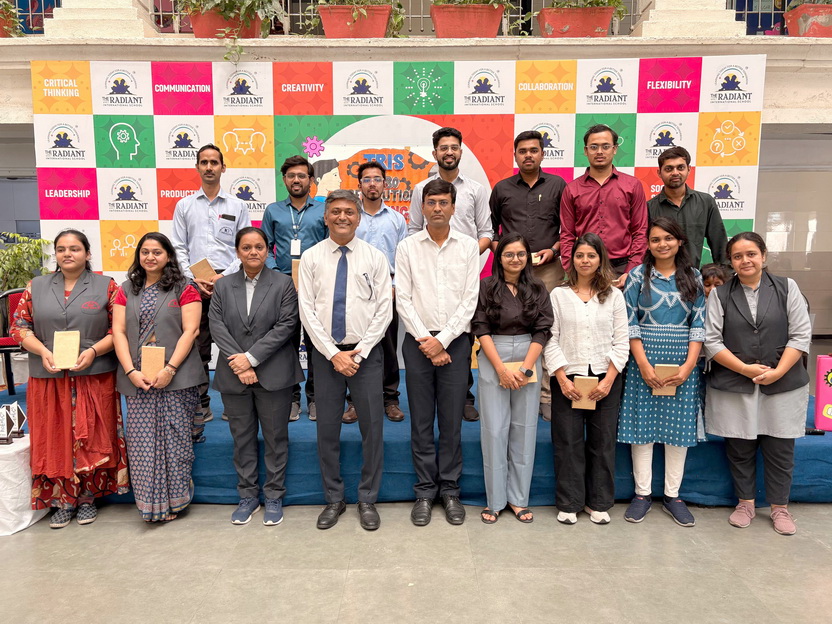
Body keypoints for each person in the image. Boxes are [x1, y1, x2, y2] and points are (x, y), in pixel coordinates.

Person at [11, 229, 128, 529]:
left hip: (93, 373)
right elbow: (19, 327)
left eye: (75, 249)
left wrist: (93, 351)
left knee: (93, 436)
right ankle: (62, 499)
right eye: (61, 249)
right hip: (48, 376)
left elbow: (118, 329)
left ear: (87, 254)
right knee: (54, 435)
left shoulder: (106, 286)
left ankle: (88, 497)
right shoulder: (36, 286)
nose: (67, 254)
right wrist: (42, 351)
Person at [704, 232, 811, 536]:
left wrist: (778, 372)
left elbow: (800, 334)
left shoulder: (787, 287)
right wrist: (744, 369)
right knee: (740, 446)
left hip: (783, 381)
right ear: (731, 261)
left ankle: (780, 508)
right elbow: (711, 340)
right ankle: (745, 504)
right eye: (737, 256)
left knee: (780, 447)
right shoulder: (721, 294)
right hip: (735, 382)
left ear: (763, 256)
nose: (745, 261)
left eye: (751, 254)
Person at [298, 190, 393, 531]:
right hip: (327, 356)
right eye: (335, 211)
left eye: (349, 212)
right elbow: (306, 310)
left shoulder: (375, 257)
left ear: (359, 217)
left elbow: (384, 310)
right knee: (326, 429)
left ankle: (367, 498)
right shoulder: (311, 257)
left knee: (372, 429)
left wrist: (361, 351)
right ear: (325, 217)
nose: (342, 217)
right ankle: (334, 498)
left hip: (366, 354)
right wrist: (333, 354)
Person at [396, 179, 480, 527]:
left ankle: (450, 490)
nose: (437, 208)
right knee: (420, 422)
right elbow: (403, 299)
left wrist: (442, 341)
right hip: (417, 342)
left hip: (455, 342)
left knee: (450, 422)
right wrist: (427, 341)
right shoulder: (407, 247)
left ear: (453, 207)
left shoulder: (469, 246)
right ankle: (424, 492)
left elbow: (470, 300)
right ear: (423, 207)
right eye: (431, 202)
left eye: (444, 202)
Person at [209, 227, 304, 526]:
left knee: (276, 438)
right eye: (247, 247)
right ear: (237, 252)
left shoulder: (283, 284)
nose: (253, 252)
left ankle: (274, 496)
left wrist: (250, 359)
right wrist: (240, 363)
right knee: (242, 438)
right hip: (233, 374)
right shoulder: (223, 285)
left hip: (274, 373)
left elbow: (286, 325)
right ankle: (247, 496)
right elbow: (216, 325)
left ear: (268, 250)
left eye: (259, 247)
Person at [617, 217, 706, 527]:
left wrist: (688, 366)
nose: (662, 244)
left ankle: (672, 496)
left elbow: (698, 324)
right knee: (641, 429)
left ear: (679, 241)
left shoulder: (694, 277)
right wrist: (642, 364)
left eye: (668, 238)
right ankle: (642, 495)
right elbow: (629, 323)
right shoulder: (636, 277)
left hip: (683, 364)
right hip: (643, 361)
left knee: (678, 432)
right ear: (648, 244)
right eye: (655, 239)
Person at [112, 233, 204, 523]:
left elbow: (191, 331)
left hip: (176, 376)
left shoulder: (185, 287)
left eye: (157, 252)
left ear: (168, 256)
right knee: (142, 445)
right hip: (138, 378)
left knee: (176, 442)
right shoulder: (126, 289)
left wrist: (169, 369)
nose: (150, 257)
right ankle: (151, 506)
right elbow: (118, 332)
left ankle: (176, 502)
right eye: (145, 252)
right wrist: (130, 370)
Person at [409, 126, 493, 422]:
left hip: (464, 272)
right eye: (443, 148)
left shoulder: (476, 190)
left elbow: (486, 232)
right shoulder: (421, 189)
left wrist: (464, 256)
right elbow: (413, 229)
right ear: (435, 153)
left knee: (462, 338)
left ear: (460, 151)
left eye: (454, 147)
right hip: (427, 272)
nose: (449, 152)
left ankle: (463, 396)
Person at [545, 233, 628, 525]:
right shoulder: (558, 295)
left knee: (602, 443)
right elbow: (550, 339)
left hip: (606, 378)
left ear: (600, 259)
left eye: (591, 255)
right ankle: (569, 502)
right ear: (572, 260)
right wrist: (561, 378)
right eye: (579, 255)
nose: (585, 261)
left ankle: (598, 502)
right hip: (568, 378)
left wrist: (608, 380)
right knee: (567, 442)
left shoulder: (614, 295)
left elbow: (622, 341)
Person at [170, 144, 251, 436]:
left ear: (222, 168)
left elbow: (245, 246)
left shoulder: (237, 206)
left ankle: (234, 403)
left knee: (234, 345)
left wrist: (223, 277)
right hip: (194, 283)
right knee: (198, 346)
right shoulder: (184, 205)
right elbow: (178, 246)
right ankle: (201, 404)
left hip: (230, 282)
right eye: (203, 162)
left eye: (214, 162)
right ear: (197, 167)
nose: (208, 167)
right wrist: (194, 277)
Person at [472, 234, 553, 524]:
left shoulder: (537, 287)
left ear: (527, 257)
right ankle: (495, 501)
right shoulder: (486, 286)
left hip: (529, 357)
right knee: (494, 431)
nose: (515, 259)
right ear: (499, 257)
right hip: (494, 355)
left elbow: (543, 329)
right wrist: (502, 370)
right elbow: (480, 327)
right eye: (509, 254)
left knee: (524, 430)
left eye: (520, 254)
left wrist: (526, 369)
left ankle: (518, 499)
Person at [489, 129, 567, 422]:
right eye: (522, 151)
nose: (528, 155)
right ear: (515, 155)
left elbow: (568, 228)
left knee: (546, 330)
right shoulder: (502, 189)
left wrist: (555, 250)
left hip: (548, 268)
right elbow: (492, 230)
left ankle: (545, 396)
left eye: (534, 150)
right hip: (511, 273)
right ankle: (513, 390)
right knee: (512, 330)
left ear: (542, 153)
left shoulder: (558, 185)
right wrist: (505, 255)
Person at [262, 155, 327, 422]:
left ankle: (316, 398)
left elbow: (329, 247)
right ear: (284, 180)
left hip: (316, 287)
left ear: (311, 180)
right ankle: (291, 398)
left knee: (316, 345)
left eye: (302, 175)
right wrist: (277, 274)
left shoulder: (323, 209)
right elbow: (264, 247)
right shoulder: (273, 210)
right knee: (285, 346)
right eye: (291, 176)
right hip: (283, 287)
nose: (296, 180)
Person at [343, 160, 408, 424]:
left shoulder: (396, 219)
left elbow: (404, 259)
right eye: (367, 179)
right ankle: (355, 401)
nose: (372, 184)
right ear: (359, 185)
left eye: (377, 179)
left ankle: (390, 399)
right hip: (354, 292)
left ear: (385, 184)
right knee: (357, 345)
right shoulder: (350, 217)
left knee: (389, 347)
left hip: (388, 291)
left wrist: (394, 287)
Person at [560, 124, 648, 285]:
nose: (599, 151)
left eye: (605, 146)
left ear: (615, 149)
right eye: (594, 147)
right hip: (585, 267)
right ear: (585, 151)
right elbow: (567, 235)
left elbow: (640, 231)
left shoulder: (632, 185)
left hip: (622, 268)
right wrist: (571, 269)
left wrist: (631, 271)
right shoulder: (572, 189)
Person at [647, 146, 729, 268]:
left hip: (693, 276)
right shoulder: (648, 207)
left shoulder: (706, 202)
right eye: (669, 169)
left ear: (689, 169)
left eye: (680, 167)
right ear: (659, 173)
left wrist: (725, 275)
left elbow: (720, 245)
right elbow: (644, 247)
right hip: (658, 277)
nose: (675, 173)